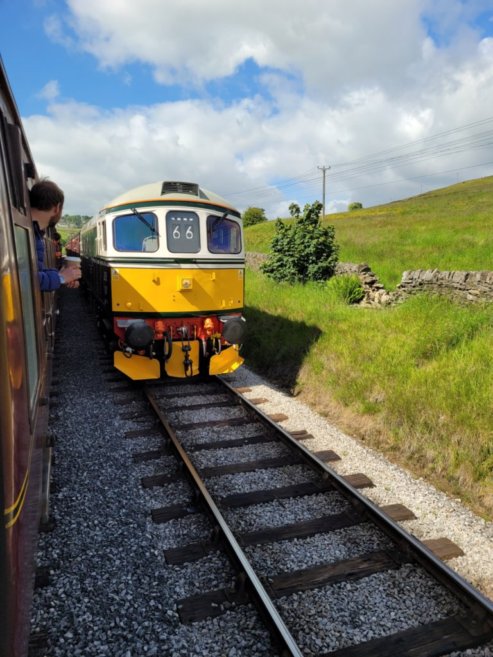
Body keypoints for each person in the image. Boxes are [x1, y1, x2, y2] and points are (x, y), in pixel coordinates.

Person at [29, 179, 81, 291]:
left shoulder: (31, 231)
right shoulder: (32, 234)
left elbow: (32, 272)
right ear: (57, 208)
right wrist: (61, 278)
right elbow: (25, 279)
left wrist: (61, 275)